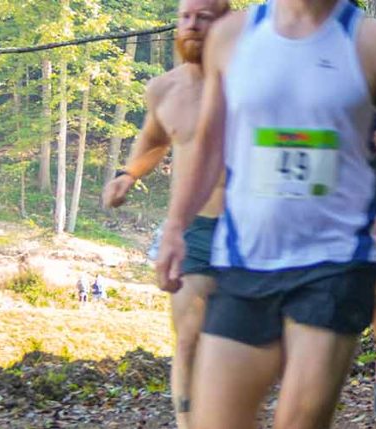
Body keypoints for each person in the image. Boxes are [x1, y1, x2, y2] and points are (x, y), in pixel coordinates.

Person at [151, 0, 376, 427]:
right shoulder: (231, 38)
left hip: (336, 263)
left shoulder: (371, 43)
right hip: (245, 262)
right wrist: (175, 225)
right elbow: (208, 149)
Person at [100, 2, 240, 426]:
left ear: (227, 24)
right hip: (193, 229)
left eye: (205, 17)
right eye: (185, 17)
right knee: (189, 337)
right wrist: (128, 174)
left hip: (253, 229)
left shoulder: (252, 83)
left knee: (253, 342)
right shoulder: (164, 89)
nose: (192, 26)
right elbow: (154, 140)